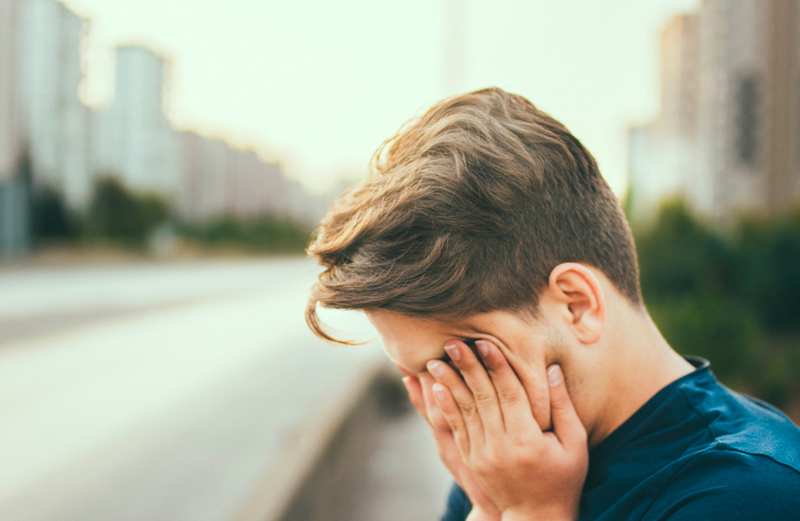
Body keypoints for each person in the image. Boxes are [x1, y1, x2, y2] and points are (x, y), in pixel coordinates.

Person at [304, 88, 800, 520]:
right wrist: (489, 504)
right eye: (416, 376)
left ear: (576, 305)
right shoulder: (513, 463)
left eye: (462, 362)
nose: (444, 404)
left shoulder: (746, 495)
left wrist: (533, 513)